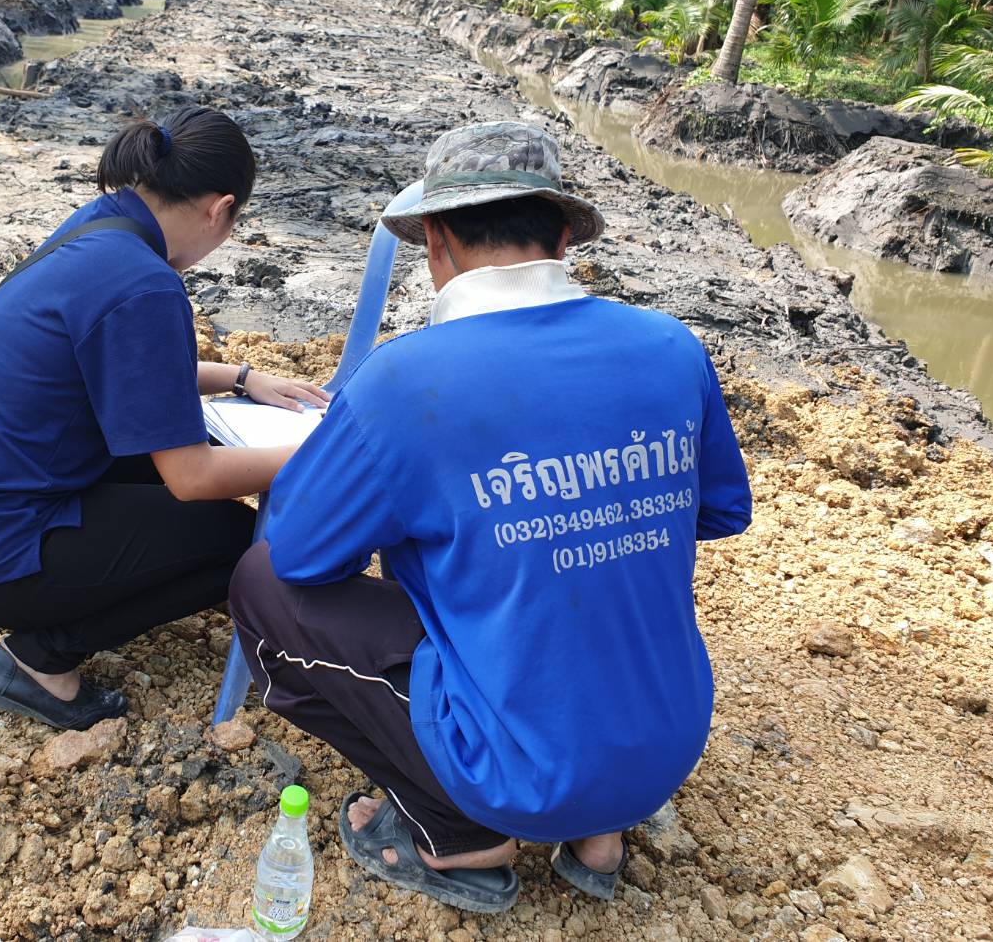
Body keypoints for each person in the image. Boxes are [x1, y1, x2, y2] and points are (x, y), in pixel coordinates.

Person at [228, 121, 753, 914]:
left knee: (262, 581)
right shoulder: (670, 346)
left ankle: (457, 836)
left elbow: (302, 553)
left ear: (435, 241)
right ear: (564, 236)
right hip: (666, 745)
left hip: (523, 776)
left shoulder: (404, 379)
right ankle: (602, 829)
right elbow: (714, 510)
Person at [0, 107, 328, 731]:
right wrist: (324, 455)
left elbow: (120, 363)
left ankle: (129, 581)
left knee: (174, 476)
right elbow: (191, 476)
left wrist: (240, 378)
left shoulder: (102, 227)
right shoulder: (144, 283)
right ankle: (39, 660)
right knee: (241, 544)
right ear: (221, 210)